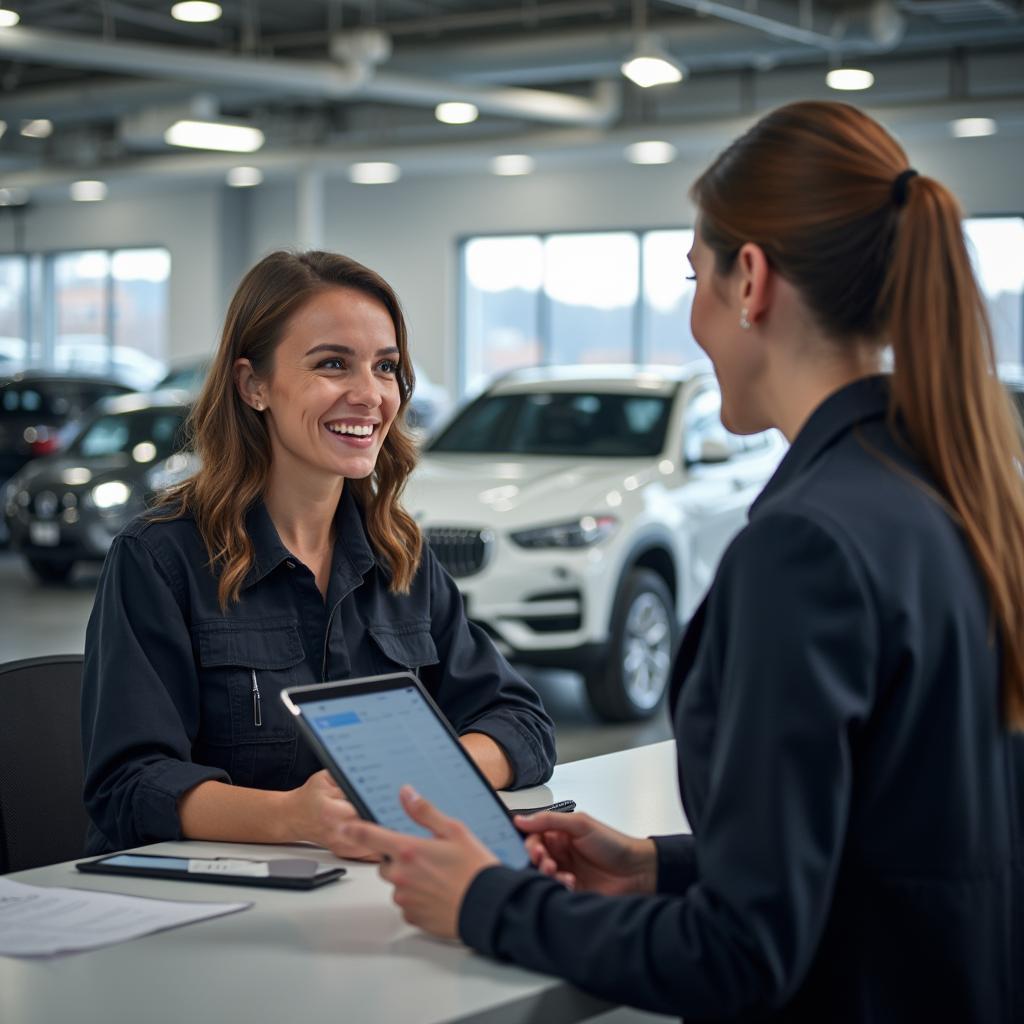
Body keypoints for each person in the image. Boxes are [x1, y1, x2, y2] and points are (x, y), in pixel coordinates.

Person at [342, 101, 1024, 1022]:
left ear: (752, 282)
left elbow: (743, 956)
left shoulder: (807, 548)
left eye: (693, 277)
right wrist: (662, 864)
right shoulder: (951, 497)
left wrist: (488, 902)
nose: (693, 316)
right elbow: (907, 844)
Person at [81, 250, 556, 858]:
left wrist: (420, 777)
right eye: (333, 364)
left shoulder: (399, 555)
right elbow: (129, 785)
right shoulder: (159, 559)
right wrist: (291, 817)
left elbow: (522, 725)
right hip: (202, 916)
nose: (369, 395)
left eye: (386, 368)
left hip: (363, 898)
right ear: (253, 385)